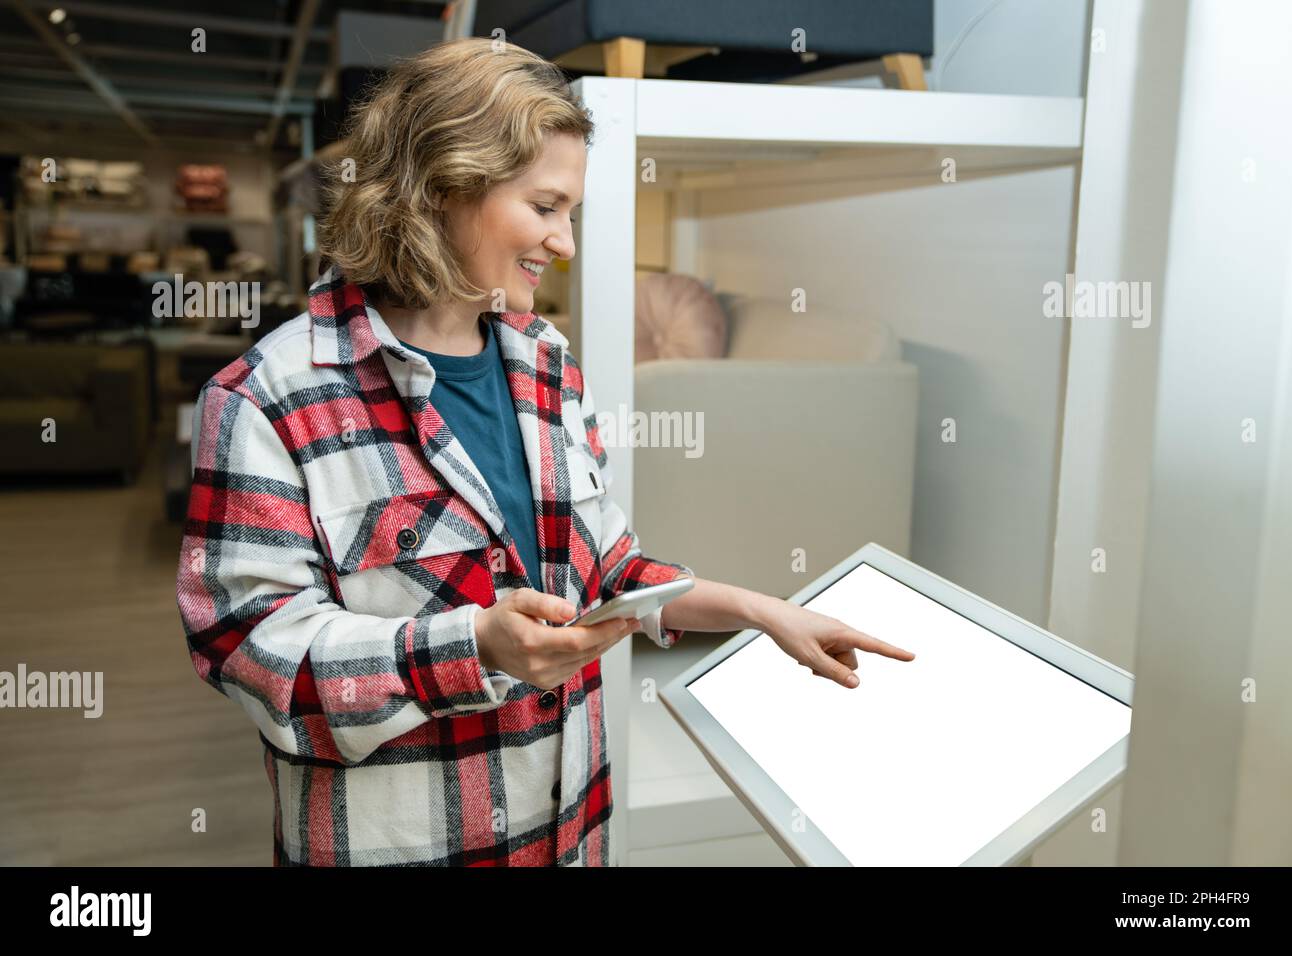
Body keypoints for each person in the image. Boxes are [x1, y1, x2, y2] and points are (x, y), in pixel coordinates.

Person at [175, 36, 915, 867]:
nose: (564, 242)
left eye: (573, 213)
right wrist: (473, 647)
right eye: (545, 206)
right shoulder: (266, 398)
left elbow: (608, 573)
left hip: (572, 835)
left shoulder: (545, 362)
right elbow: (249, 651)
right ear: (445, 187)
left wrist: (763, 612)